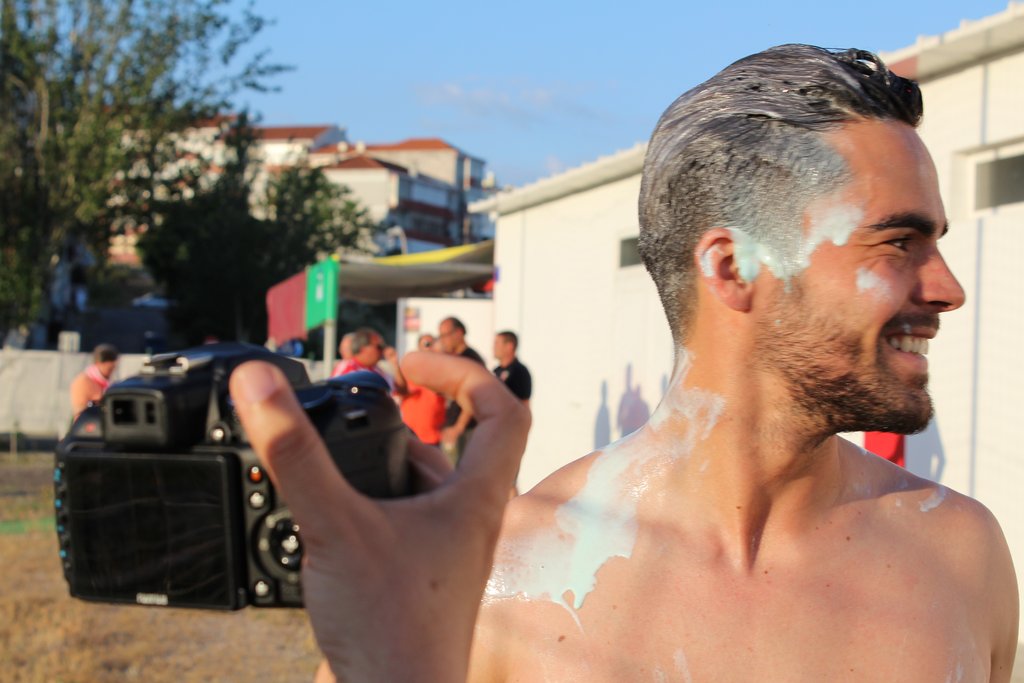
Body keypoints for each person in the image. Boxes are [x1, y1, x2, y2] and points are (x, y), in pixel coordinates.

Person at [228, 44, 1019, 682]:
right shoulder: (500, 577)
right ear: (733, 268)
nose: (947, 288)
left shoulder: (962, 557)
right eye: (899, 241)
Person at [437, 316, 485, 461]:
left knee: (460, 470)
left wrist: (459, 427)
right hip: (453, 426)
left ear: (458, 333)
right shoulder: (455, 358)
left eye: (444, 335)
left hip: (464, 430)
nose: (442, 341)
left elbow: (472, 396)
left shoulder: (471, 359)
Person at [392, 334, 447, 446]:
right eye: (427, 344)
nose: (430, 348)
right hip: (411, 434)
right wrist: (396, 366)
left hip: (433, 435)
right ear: (419, 347)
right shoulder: (410, 369)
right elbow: (401, 392)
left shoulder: (441, 369)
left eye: (433, 344)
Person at [328, 327, 393, 390]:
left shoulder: (378, 370)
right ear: (363, 348)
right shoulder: (347, 368)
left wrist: (394, 364)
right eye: (379, 347)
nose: (382, 350)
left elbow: (394, 391)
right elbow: (335, 391)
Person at [70, 343, 119, 419]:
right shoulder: (83, 382)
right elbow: (80, 412)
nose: (111, 372)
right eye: (109, 369)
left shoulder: (107, 383)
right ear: (98, 363)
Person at [492, 330, 531, 407]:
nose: (493, 348)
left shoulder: (520, 372)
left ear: (509, 346)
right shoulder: (496, 371)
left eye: (497, 344)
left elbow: (524, 403)